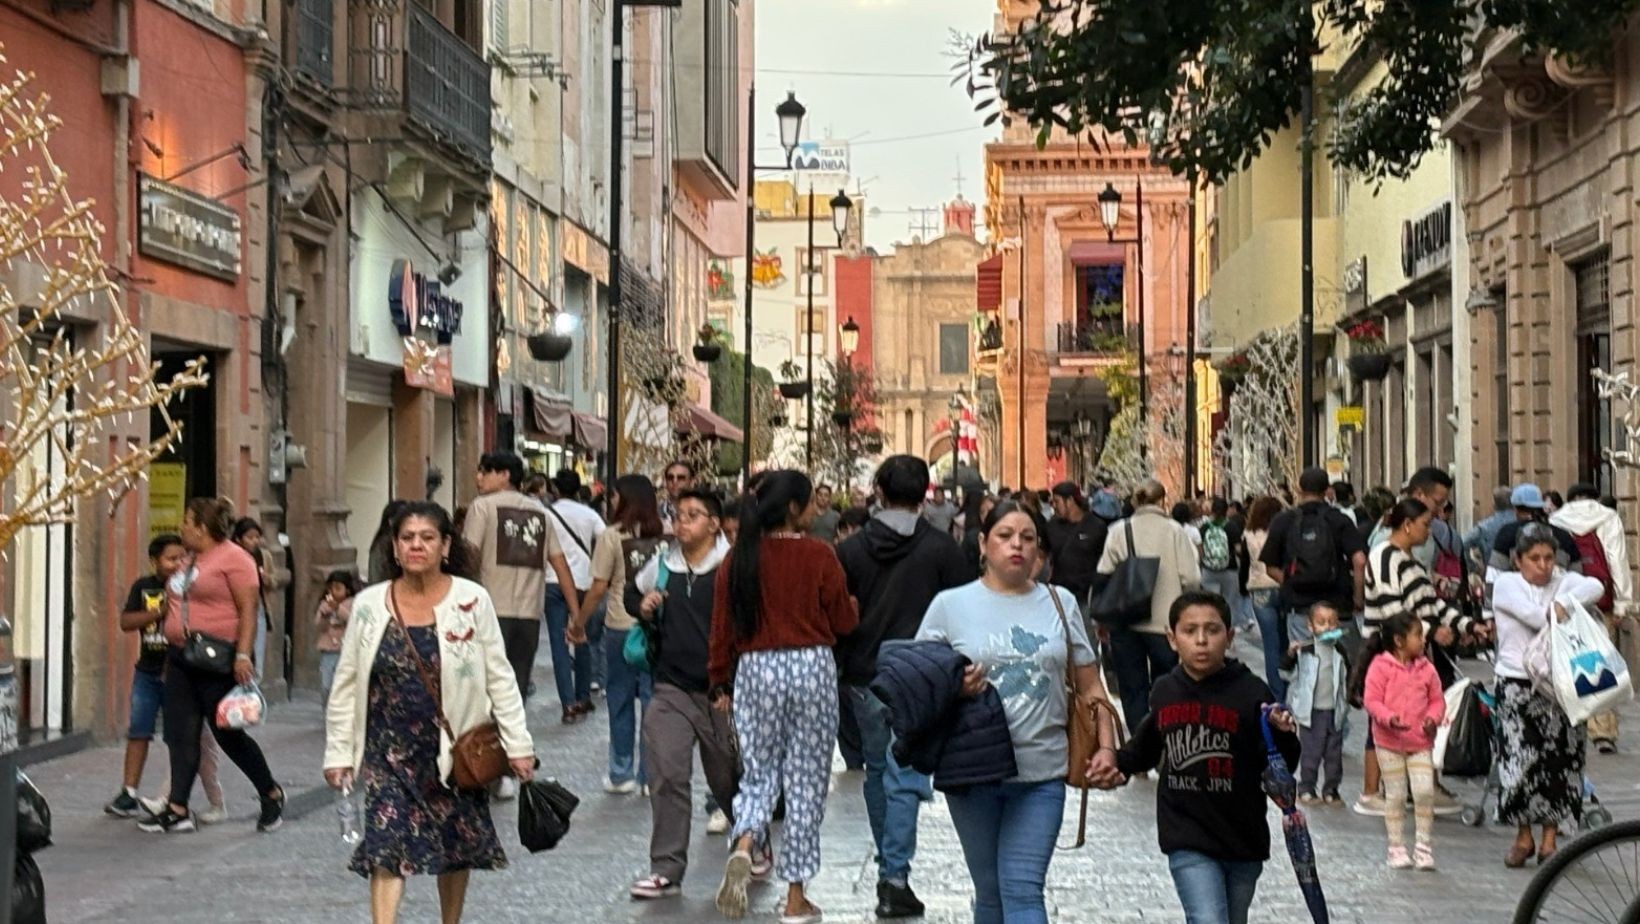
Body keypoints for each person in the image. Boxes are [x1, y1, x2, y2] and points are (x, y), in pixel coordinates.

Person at [322, 501, 535, 924]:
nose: (416, 546)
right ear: (395, 549)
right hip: (388, 750)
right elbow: (346, 685)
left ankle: (449, 921)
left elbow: (500, 677)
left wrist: (518, 744)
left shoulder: (471, 600)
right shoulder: (368, 604)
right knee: (386, 844)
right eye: (407, 538)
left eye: (427, 538)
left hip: (453, 749)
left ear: (445, 546)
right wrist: (339, 753)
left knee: (454, 846)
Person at [915, 497, 1109, 924]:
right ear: (983, 544)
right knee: (989, 893)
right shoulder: (950, 606)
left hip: (1042, 772)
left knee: (1022, 888)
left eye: (1028, 538)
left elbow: (1090, 684)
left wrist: (1107, 748)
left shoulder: (1061, 603)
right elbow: (920, 684)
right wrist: (954, 686)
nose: (1016, 545)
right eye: (1005, 536)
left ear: (1040, 549)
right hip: (973, 770)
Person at [1090, 591, 1300, 924]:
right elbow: (1146, 746)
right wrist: (1117, 763)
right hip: (1187, 834)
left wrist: (1282, 733)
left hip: (1242, 838)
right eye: (1190, 631)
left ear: (1229, 637)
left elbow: (1279, 764)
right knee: (1207, 919)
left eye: (1212, 630)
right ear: (1172, 639)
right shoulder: (1165, 691)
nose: (1201, 640)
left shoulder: (1252, 692)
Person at [708, 471, 858, 923]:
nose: (816, 509)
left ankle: (746, 842)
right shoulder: (819, 555)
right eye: (810, 502)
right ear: (793, 508)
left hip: (755, 669)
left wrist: (720, 680)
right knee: (807, 781)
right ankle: (795, 898)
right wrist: (852, 611)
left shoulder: (738, 560)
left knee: (758, 773)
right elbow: (842, 621)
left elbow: (721, 628)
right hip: (811, 665)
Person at [835, 455, 975, 918]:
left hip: (864, 674)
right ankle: (893, 876)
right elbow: (963, 611)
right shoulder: (940, 549)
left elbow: (838, 614)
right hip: (920, 677)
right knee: (904, 774)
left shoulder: (851, 551)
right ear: (924, 493)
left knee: (880, 770)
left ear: (878, 491)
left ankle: (890, 868)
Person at [139, 498, 284, 834]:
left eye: (187, 521)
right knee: (180, 733)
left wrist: (244, 655)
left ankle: (270, 792)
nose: (181, 527)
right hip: (179, 657)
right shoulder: (190, 558)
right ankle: (177, 808)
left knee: (227, 733)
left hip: (217, 658)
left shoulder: (236, 559)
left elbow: (249, 610)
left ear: (201, 527)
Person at [627, 488, 739, 900]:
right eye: (678, 514)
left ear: (714, 523)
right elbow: (631, 594)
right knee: (668, 775)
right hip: (670, 686)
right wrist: (644, 605)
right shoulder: (662, 563)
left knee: (727, 776)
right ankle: (666, 868)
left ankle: (750, 839)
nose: (682, 522)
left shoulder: (731, 566)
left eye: (693, 515)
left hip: (720, 692)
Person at [1491, 525, 1605, 867]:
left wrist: (1563, 601)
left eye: (1549, 558)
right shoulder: (1507, 585)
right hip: (1516, 683)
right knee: (1519, 762)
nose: (1542, 566)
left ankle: (1550, 840)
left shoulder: (1562, 582)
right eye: (1534, 558)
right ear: (1518, 560)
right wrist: (1558, 609)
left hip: (1561, 686)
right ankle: (1523, 836)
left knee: (1561, 762)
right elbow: (1534, 615)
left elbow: (1595, 586)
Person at [1357, 498, 1476, 817]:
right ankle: (1371, 792)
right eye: (1426, 523)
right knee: (1381, 720)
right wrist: (1432, 631)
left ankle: (1414, 787)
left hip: (1413, 655)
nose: (1430, 530)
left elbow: (1431, 604)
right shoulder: (1384, 556)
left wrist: (1467, 625)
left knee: (1413, 717)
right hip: (1386, 652)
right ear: (1407, 525)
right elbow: (1390, 609)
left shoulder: (1410, 562)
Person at [107, 534, 229, 822]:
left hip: (182, 674)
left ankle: (176, 800)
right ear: (154, 560)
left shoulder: (191, 587)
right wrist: (159, 612)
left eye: (180, 558)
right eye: (170, 559)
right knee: (139, 730)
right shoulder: (144, 586)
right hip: (148, 671)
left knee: (183, 739)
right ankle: (129, 792)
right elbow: (126, 622)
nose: (176, 565)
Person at [463, 451, 580, 733]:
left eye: (485, 471)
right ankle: (510, 751)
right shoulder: (541, 513)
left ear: (505, 475)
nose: (478, 477)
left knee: (483, 690)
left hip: (489, 613)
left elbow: (467, 558)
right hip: (528, 616)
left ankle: (485, 756)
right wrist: (576, 613)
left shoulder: (482, 508)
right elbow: (560, 564)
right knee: (515, 690)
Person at [571, 474, 664, 794]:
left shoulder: (612, 536)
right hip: (657, 627)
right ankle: (651, 776)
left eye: (613, 496)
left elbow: (598, 586)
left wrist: (579, 622)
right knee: (654, 702)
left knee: (621, 699)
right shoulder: (666, 535)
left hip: (620, 626)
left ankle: (620, 770)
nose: (610, 500)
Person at [1097, 479, 1202, 733]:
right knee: (1165, 681)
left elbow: (1104, 573)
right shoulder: (1175, 531)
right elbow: (1192, 578)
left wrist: (1101, 618)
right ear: (1162, 500)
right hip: (1165, 621)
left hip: (1126, 619)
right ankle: (1163, 736)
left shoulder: (1120, 530)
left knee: (1132, 687)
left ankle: (1139, 741)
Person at [1550, 482, 1633, 754]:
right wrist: (1623, 603)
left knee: (1568, 659)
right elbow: (1616, 559)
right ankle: (1603, 730)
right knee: (1601, 663)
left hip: (1566, 600)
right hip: (1601, 599)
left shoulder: (1557, 519)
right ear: (1596, 498)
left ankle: (1572, 720)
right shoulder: (1607, 517)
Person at [1362, 611, 1445, 870]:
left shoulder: (1427, 669)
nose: (1422, 641)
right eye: (1418, 635)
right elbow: (1372, 700)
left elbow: (1437, 700)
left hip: (1420, 741)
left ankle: (1423, 846)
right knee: (1395, 795)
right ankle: (1396, 847)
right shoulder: (1380, 667)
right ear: (1399, 640)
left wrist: (1433, 717)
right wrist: (1388, 718)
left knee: (1424, 792)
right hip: (1388, 742)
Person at [1258, 466, 1367, 661]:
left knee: (1307, 663)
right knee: (1343, 663)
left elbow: (1270, 566)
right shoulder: (1339, 519)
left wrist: (1292, 581)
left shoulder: (1284, 520)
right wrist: (1358, 598)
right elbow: (1359, 560)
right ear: (1327, 491)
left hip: (1300, 609)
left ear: (1299, 489)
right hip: (1337, 607)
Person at [543, 468, 606, 723]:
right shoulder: (590, 514)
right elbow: (605, 541)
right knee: (582, 636)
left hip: (552, 581)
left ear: (556, 489)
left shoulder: (546, 514)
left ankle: (567, 703)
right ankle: (583, 696)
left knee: (559, 644)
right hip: (583, 581)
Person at [1285, 602, 1349, 805]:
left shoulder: (1340, 649)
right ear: (1310, 626)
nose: (1327, 627)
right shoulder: (1305, 650)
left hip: (1334, 710)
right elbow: (1284, 673)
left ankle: (1331, 789)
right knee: (1311, 752)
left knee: (1334, 754)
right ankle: (1306, 787)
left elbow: (1348, 675)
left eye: (1332, 622)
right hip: (1311, 712)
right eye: (1321, 623)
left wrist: (1352, 697)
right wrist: (1289, 655)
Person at [1242, 497, 1287, 698]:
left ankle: (1277, 691)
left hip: (1259, 588)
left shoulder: (1249, 534)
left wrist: (1243, 586)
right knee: (1286, 640)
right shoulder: (1283, 532)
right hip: (1282, 585)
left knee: (1270, 643)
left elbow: (1245, 563)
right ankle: (1289, 682)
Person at [1489, 484, 1582, 575]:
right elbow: (1577, 574)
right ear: (1541, 506)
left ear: (1515, 509)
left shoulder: (1506, 533)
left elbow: (1494, 573)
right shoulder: (1563, 535)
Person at [232, 517, 284, 679]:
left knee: (257, 651)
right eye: (250, 537)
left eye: (257, 537)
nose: (254, 541)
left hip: (258, 606)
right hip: (235, 607)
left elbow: (274, 581)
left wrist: (265, 577)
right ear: (238, 539)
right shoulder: (233, 556)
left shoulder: (264, 556)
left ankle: (254, 685)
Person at [1045, 481, 1108, 608]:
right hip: (1058, 595)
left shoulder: (1096, 526)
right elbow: (1042, 557)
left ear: (1070, 500)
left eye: (1057, 502)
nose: (1054, 507)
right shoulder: (1051, 527)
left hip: (1086, 598)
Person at [1198, 498, 1247, 632]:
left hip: (1208, 571)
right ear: (1226, 510)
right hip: (1229, 570)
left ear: (1212, 510)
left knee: (1210, 603)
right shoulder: (1231, 526)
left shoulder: (1204, 527)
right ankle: (1228, 632)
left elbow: (1200, 551)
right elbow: (1238, 549)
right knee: (1230, 602)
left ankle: (1211, 629)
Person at [315, 569, 358, 705]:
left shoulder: (353, 603)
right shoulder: (324, 605)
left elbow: (353, 620)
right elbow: (319, 627)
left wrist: (338, 608)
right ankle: (327, 711)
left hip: (345, 650)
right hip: (328, 650)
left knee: (342, 685)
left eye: (338, 588)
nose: (333, 592)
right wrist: (324, 615)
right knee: (326, 684)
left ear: (348, 590)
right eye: (331, 588)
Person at [660, 459, 696, 531]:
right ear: (665, 482)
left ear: (692, 482)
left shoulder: (703, 512)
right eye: (670, 478)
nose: (675, 482)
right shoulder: (655, 513)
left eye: (681, 478)